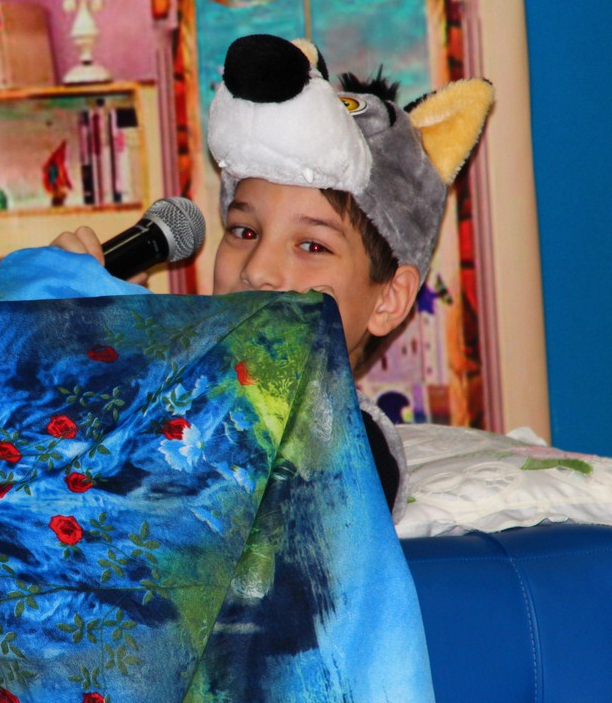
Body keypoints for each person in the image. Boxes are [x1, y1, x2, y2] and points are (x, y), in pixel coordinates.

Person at [34, 34, 496, 519]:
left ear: (389, 299)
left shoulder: (355, 446)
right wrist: (59, 344)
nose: (256, 269)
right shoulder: (172, 385)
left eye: (312, 246)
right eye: (244, 231)